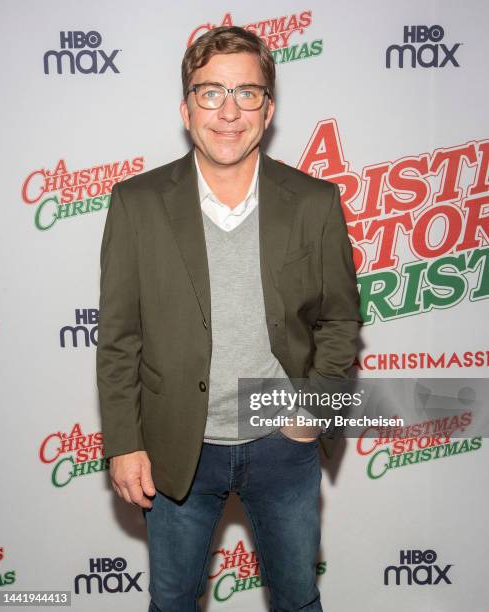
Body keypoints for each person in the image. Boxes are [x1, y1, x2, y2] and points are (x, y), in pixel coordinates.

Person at [97, 25, 361, 612]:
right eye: (210, 91)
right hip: (175, 449)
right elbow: (118, 338)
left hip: (281, 445)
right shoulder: (135, 204)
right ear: (186, 107)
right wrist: (124, 443)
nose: (228, 111)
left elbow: (339, 322)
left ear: (268, 110)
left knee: (297, 599)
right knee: (171, 602)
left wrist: (313, 413)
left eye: (247, 93)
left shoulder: (315, 202)